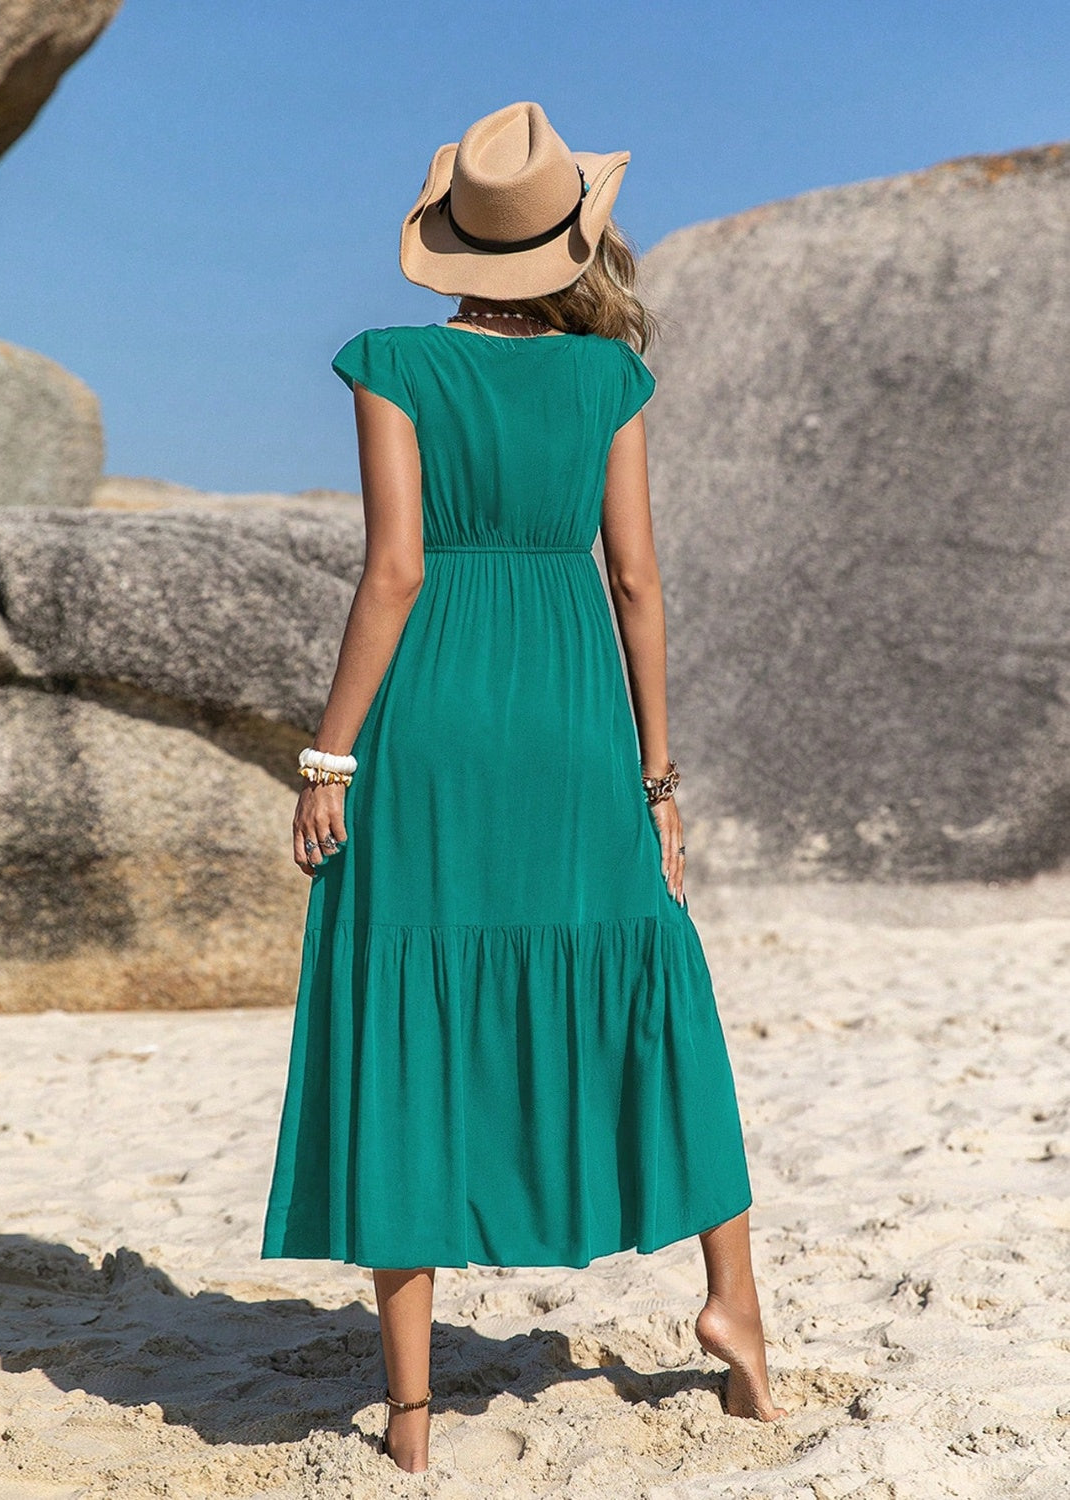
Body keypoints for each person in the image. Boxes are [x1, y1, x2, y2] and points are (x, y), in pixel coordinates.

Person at [261, 100, 786, 1474]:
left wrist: (328, 756)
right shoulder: (611, 379)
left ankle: (412, 1419)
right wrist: (656, 781)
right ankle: (733, 1307)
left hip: (432, 724)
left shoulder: (390, 363)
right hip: (572, 723)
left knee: (402, 1009)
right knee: (654, 986)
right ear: (570, 239)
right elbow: (637, 585)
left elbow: (394, 572)